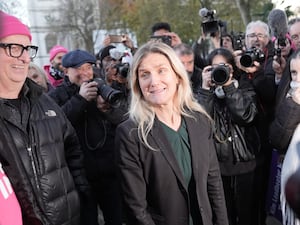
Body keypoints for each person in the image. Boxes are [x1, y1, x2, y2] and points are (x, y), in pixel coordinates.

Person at [115, 41, 229, 225]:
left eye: (161, 70)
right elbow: (136, 207)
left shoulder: (199, 120)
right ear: (137, 83)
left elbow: (213, 183)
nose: (154, 81)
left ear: (177, 76)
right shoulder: (130, 134)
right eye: (145, 75)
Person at [0, 10, 89, 225]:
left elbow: (73, 152)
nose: (24, 57)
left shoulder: (46, 102)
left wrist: (83, 200)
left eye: (27, 48)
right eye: (14, 47)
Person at [48, 49, 128, 225]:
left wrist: (107, 109)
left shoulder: (101, 88)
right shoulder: (54, 96)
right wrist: (80, 99)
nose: (84, 73)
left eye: (88, 68)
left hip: (109, 173)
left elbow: (125, 120)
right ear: (66, 71)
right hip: (79, 177)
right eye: (78, 68)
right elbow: (54, 127)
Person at [198, 47, 259, 225]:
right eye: (215, 67)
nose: (220, 71)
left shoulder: (244, 87)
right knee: (224, 217)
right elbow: (199, 123)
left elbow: (247, 116)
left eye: (224, 67)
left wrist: (230, 88)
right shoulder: (204, 92)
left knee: (248, 216)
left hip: (245, 164)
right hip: (218, 167)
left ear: (233, 69)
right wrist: (205, 89)